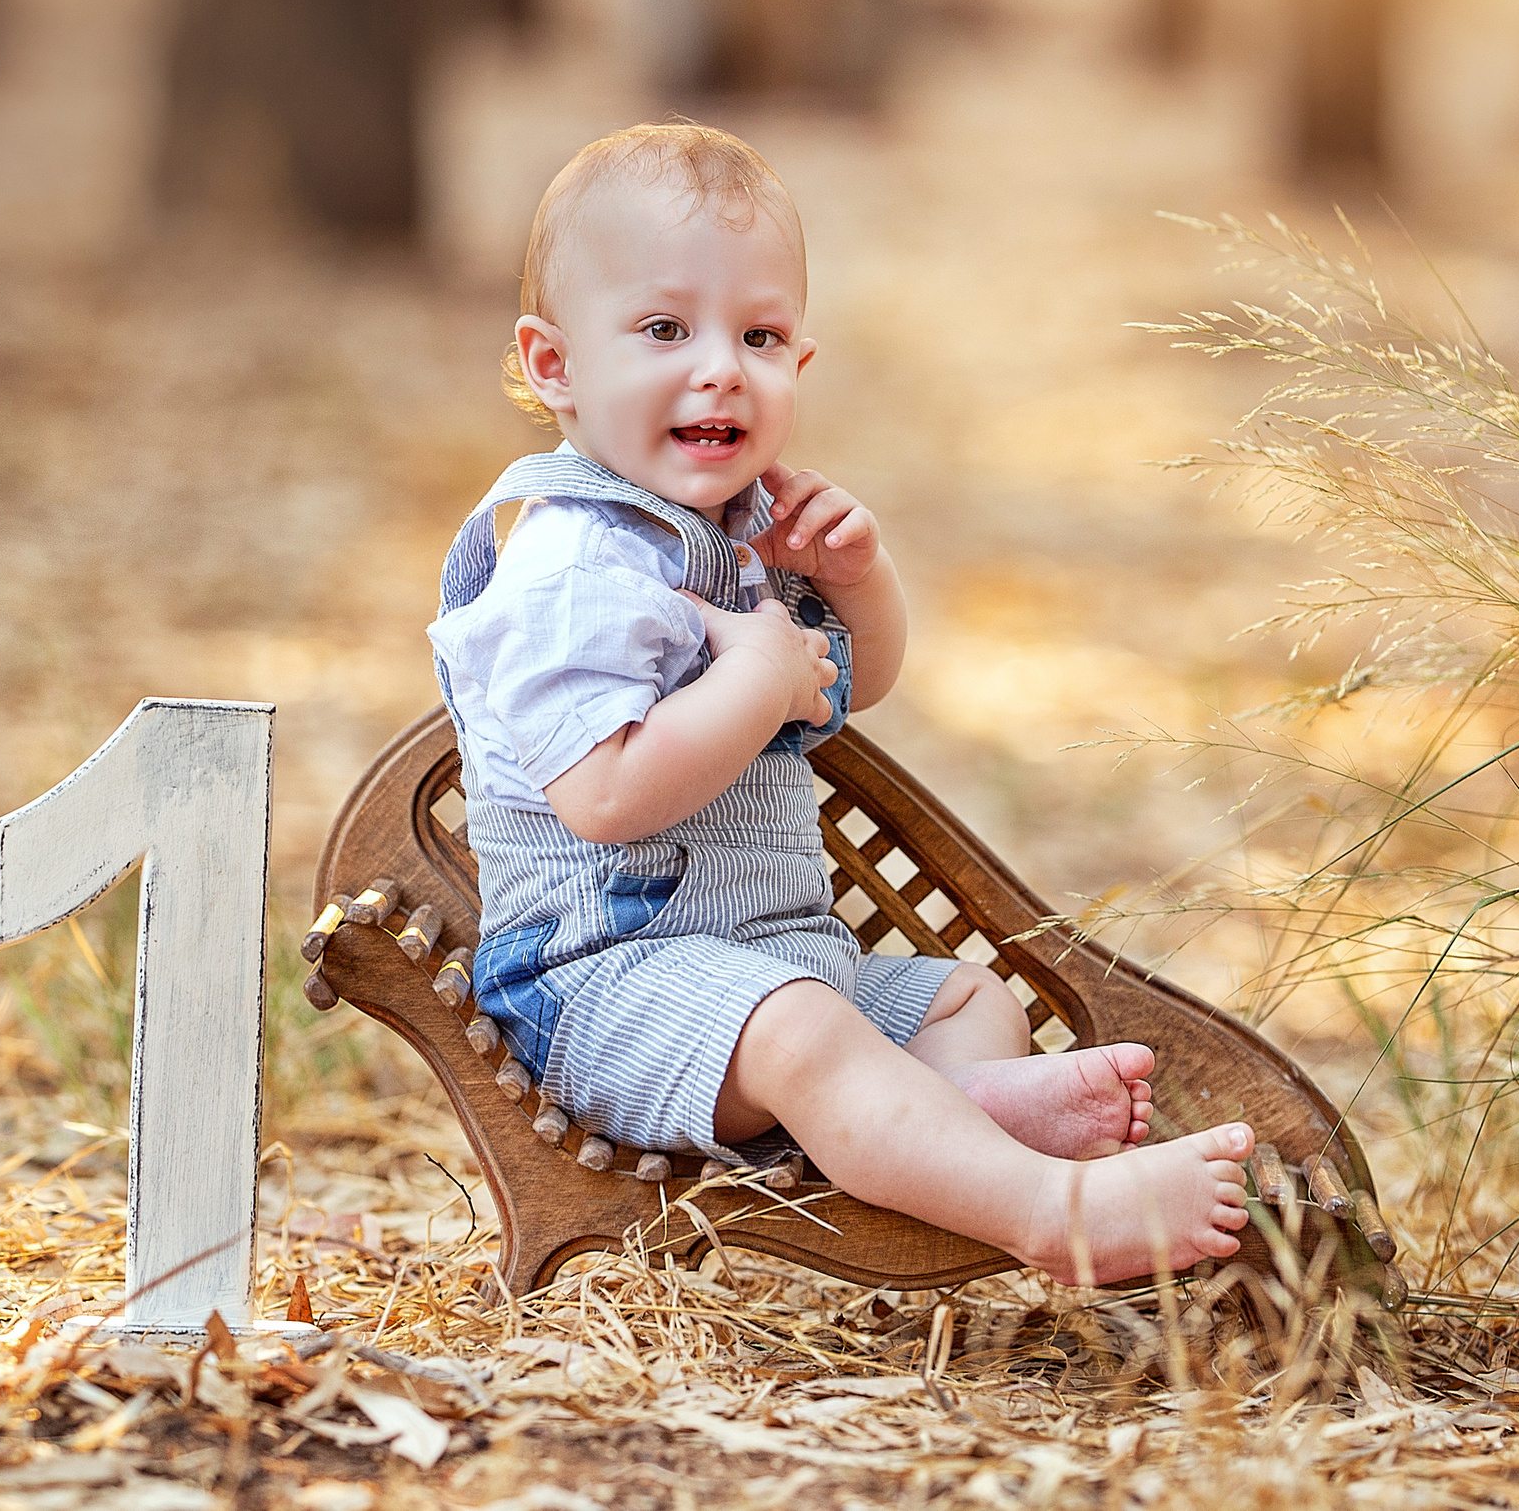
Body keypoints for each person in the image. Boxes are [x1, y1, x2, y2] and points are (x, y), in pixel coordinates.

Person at [428, 121, 1250, 1282]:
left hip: (775, 961)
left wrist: (858, 583)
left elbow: (858, 682)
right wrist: (754, 680)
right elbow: (605, 795)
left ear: (798, 367)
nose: (721, 367)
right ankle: (1048, 1212)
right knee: (812, 1035)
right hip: (602, 989)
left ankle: (943, 1123)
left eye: (758, 336)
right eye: (665, 330)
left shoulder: (743, 542)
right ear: (554, 365)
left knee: (968, 1000)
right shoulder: (570, 569)